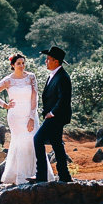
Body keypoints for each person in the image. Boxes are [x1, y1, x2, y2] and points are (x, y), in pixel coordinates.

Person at [0, 53, 48, 185]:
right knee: (19, 143)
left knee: (34, 141)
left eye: (23, 63)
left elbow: (35, 97)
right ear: (12, 65)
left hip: (30, 113)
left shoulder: (31, 77)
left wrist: (32, 117)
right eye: (18, 63)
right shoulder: (8, 80)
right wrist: (5, 105)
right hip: (15, 115)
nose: (21, 65)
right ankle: (21, 176)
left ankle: (38, 173)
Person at [32, 45, 72, 182]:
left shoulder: (62, 77)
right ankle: (64, 176)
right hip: (53, 116)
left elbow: (63, 99)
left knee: (37, 139)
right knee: (56, 144)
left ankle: (41, 175)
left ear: (56, 61)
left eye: (48, 59)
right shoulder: (54, 75)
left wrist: (52, 113)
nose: (45, 61)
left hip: (56, 117)